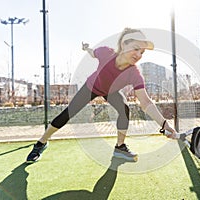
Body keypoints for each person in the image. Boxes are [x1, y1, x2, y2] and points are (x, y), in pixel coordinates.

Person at [26, 28, 176, 163]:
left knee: (124, 110)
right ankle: (41, 143)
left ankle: (120, 147)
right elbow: (92, 53)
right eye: (136, 49)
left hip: (111, 91)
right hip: (92, 87)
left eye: (142, 52)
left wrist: (165, 125)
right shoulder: (106, 53)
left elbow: (145, 101)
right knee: (68, 113)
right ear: (123, 45)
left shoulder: (134, 73)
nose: (139, 55)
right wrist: (86, 48)